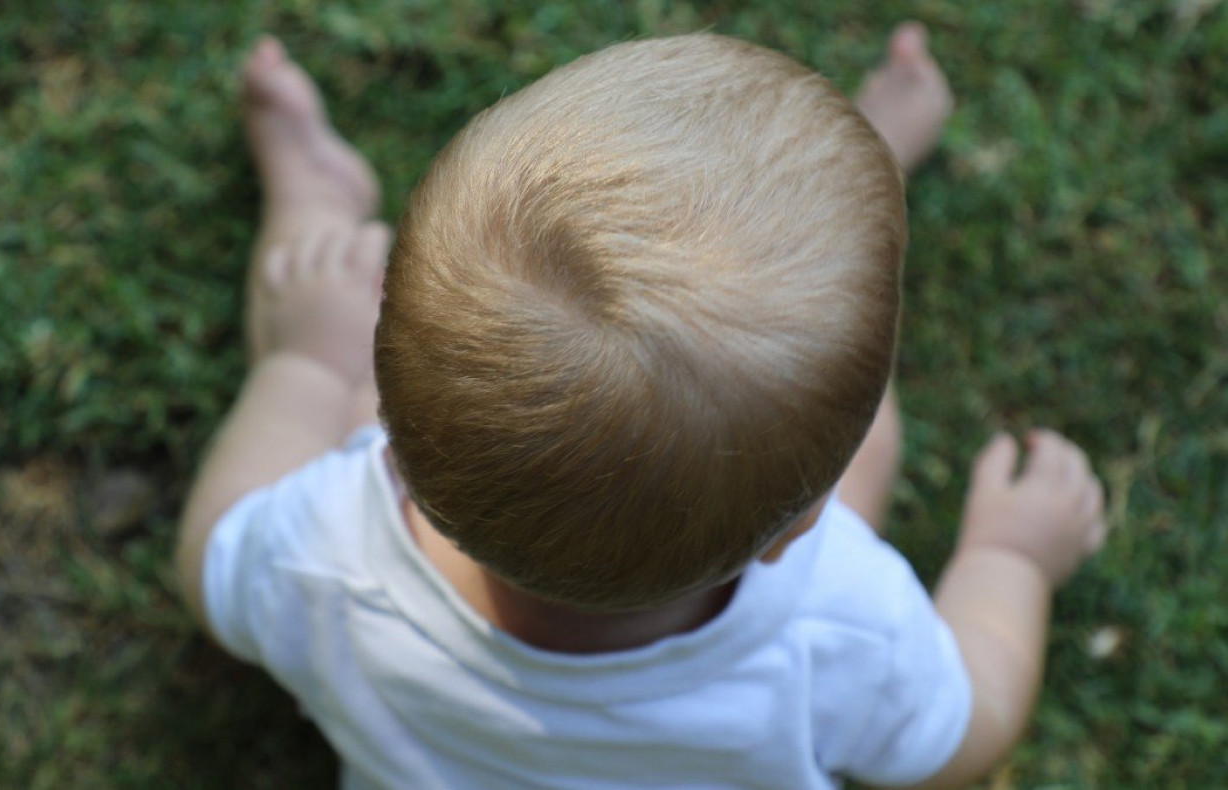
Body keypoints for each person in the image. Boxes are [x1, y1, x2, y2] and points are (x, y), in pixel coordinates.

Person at [175, 22, 1107, 790]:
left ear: (391, 421)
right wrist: (1008, 556)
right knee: (823, 426)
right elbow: (963, 735)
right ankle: (872, 175)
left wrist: (301, 361)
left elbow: (212, 557)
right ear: (799, 530)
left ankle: (316, 210)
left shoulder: (327, 554)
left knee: (314, 298)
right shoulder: (836, 625)